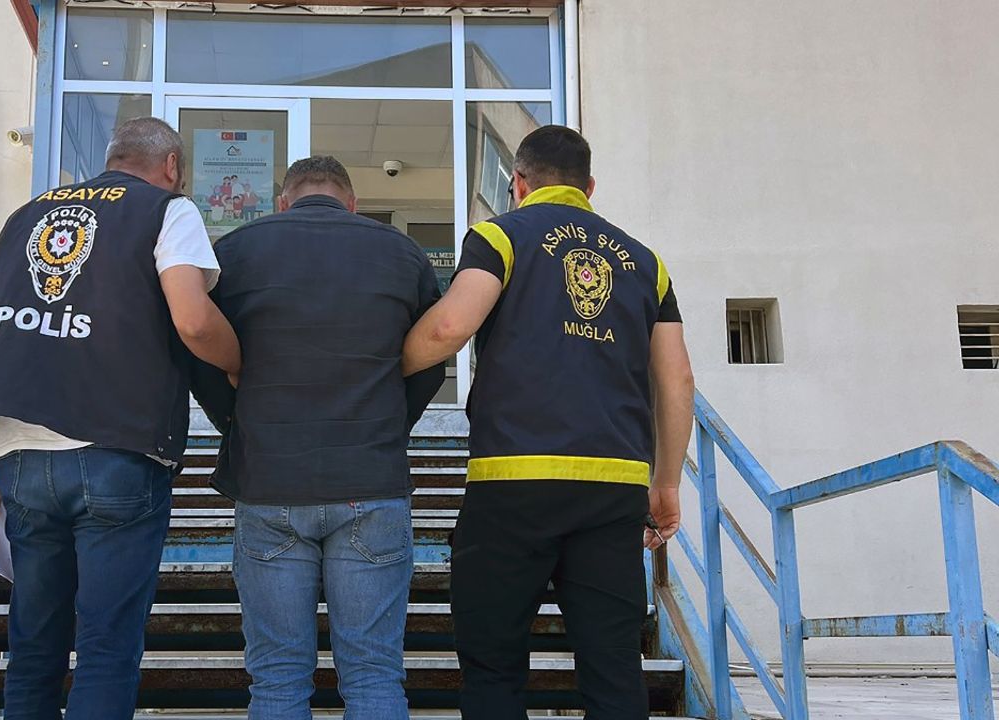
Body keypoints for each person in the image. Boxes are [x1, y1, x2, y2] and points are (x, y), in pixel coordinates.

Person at [402, 125, 695, 720]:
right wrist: (664, 482)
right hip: (613, 487)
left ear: (518, 183)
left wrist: (377, 373)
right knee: (613, 668)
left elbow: (448, 328)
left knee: (493, 666)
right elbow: (677, 380)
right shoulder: (647, 263)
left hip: (512, 483)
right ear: (589, 187)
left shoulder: (499, 236)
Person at [0, 117, 241, 720]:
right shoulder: (167, 210)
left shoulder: (24, 217)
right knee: (106, 648)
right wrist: (239, 366)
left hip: (18, 449)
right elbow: (193, 320)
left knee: (34, 646)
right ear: (171, 166)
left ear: (111, 159)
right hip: (118, 448)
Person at [191, 156, 445, 720]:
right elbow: (431, 359)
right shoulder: (402, 253)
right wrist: (389, 426)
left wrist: (238, 423)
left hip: (269, 481)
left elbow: (200, 352)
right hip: (371, 479)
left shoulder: (234, 251)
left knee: (277, 680)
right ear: (351, 203)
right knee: (374, 675)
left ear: (283, 202)